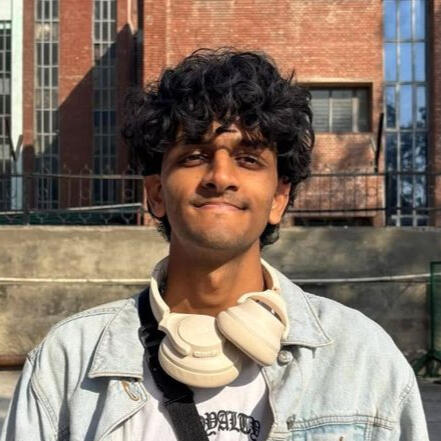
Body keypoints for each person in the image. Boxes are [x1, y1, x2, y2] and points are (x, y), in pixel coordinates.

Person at [1, 48, 428, 441]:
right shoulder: (68, 362)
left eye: (248, 159)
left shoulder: (363, 357)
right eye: (194, 156)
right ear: (155, 194)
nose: (220, 177)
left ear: (279, 198)